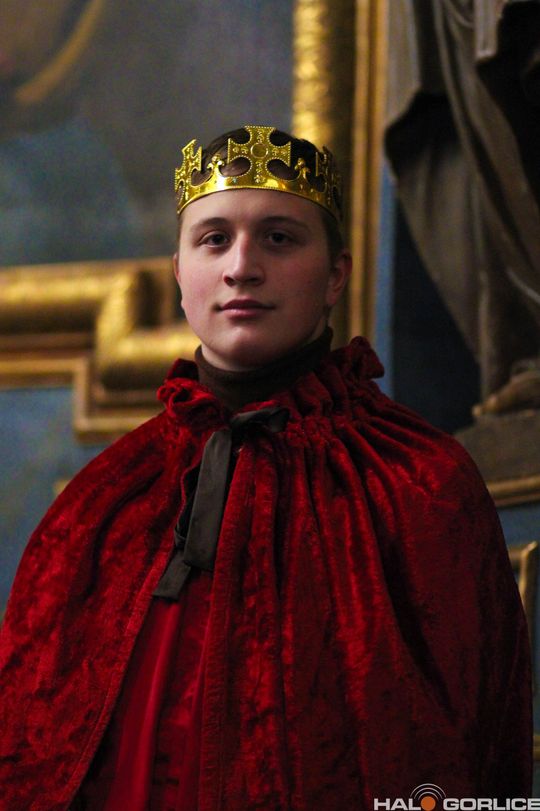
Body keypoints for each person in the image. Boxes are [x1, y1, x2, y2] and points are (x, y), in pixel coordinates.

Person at [0, 125, 532, 810]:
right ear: (181, 274)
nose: (242, 267)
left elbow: (478, 753)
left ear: (335, 274)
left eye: (279, 238)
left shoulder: (422, 484)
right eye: (214, 239)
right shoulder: (100, 503)